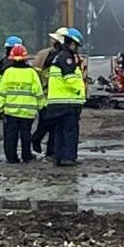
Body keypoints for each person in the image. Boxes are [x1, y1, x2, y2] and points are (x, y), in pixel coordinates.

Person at [35, 27, 87, 167]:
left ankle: (58, 157)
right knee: (70, 132)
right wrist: (79, 93)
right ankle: (68, 158)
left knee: (58, 132)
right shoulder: (67, 58)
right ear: (73, 44)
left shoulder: (57, 56)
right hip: (67, 102)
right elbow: (70, 79)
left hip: (56, 103)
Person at [0, 43, 44, 164]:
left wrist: (0, 109)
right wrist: (41, 105)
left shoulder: (8, 72)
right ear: (25, 58)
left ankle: (12, 157)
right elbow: (38, 90)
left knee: (11, 136)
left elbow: (2, 92)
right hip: (27, 112)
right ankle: (27, 156)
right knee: (26, 135)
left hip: (11, 111)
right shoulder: (31, 73)